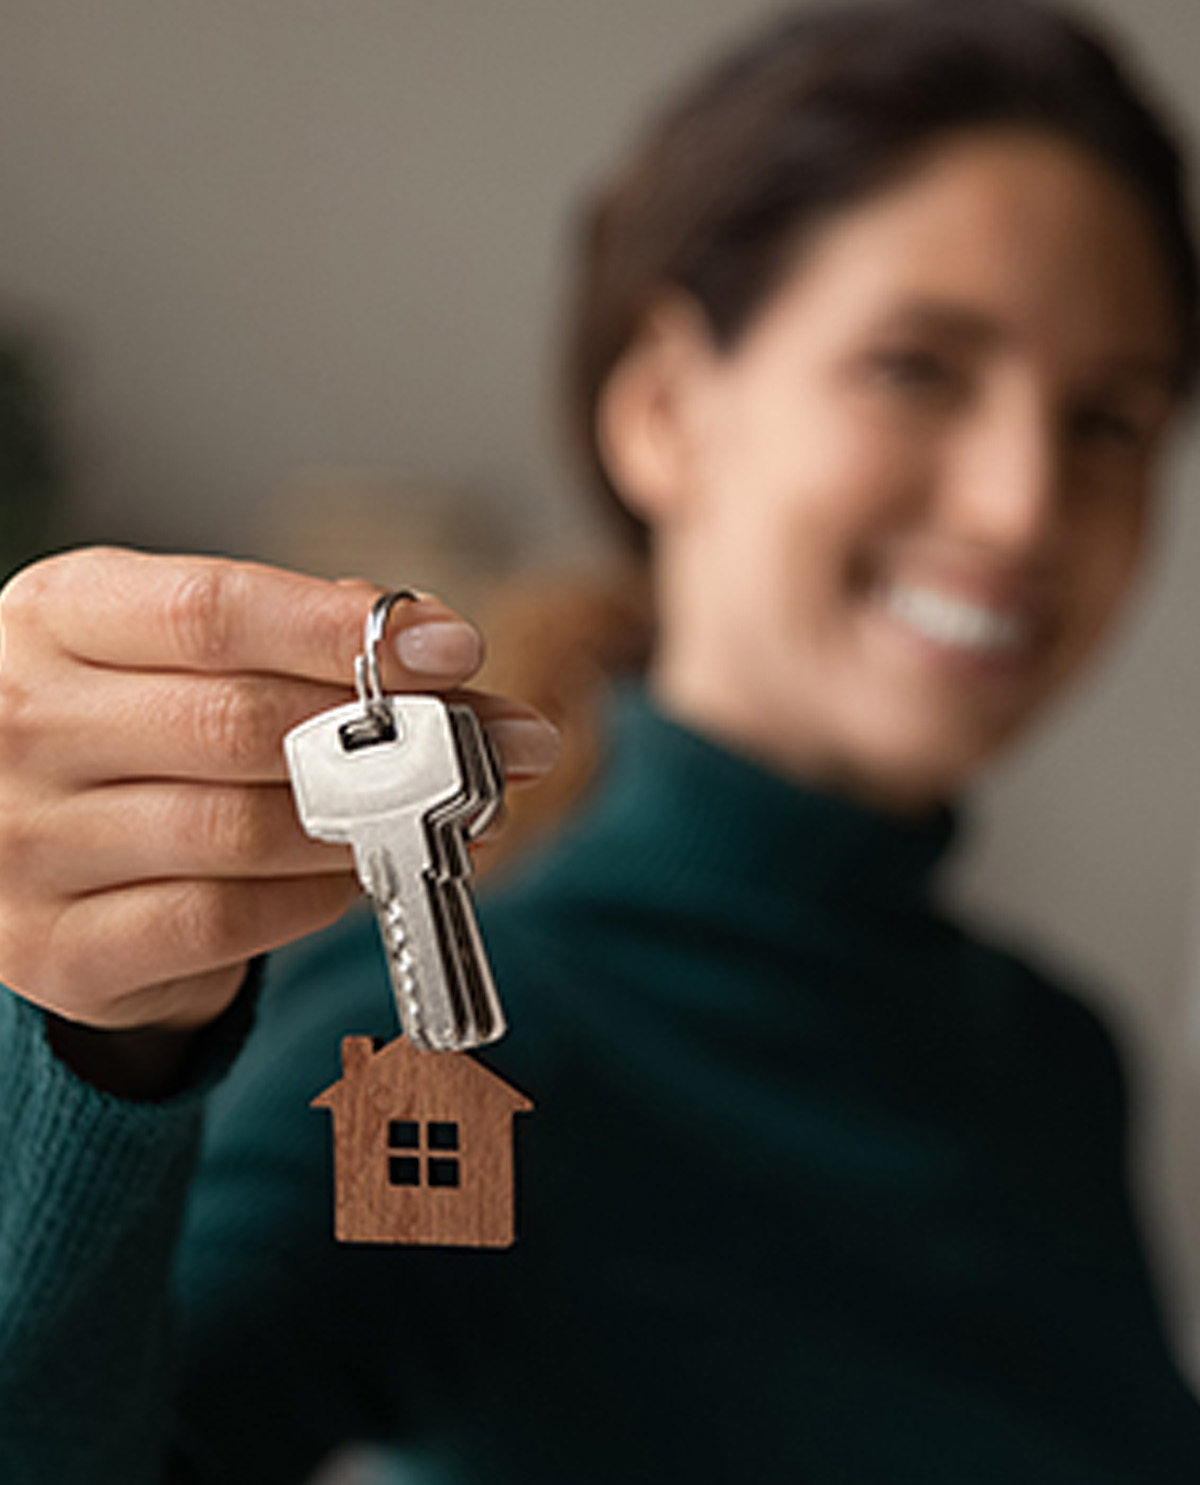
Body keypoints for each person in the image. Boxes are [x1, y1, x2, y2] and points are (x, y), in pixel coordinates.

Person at [1, 0, 1199, 1479]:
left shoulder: (1056, 1056)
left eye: (1111, 423)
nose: (1024, 501)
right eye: (919, 367)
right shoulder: (449, 1052)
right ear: (663, 406)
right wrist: (87, 1053)